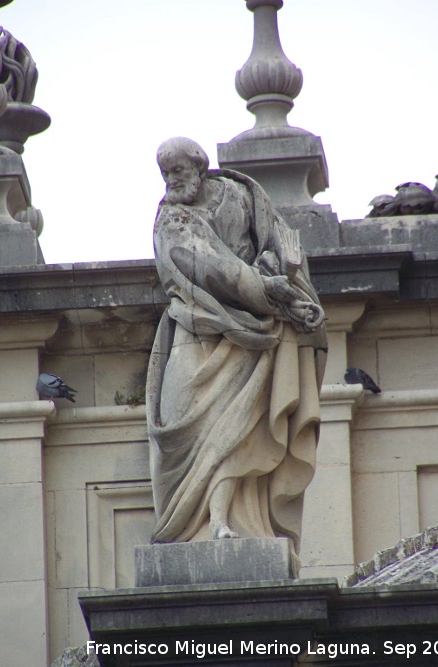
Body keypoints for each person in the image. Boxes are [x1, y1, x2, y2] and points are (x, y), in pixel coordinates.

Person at [146, 137, 327, 573]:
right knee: (184, 423)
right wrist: (264, 289)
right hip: (199, 327)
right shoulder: (171, 218)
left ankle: (228, 523)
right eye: (165, 173)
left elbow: (277, 243)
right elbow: (204, 265)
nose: (172, 180)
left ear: (199, 166)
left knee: (235, 434)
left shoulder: (242, 194)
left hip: (253, 335)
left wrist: (282, 278)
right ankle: (192, 525)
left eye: (178, 171)